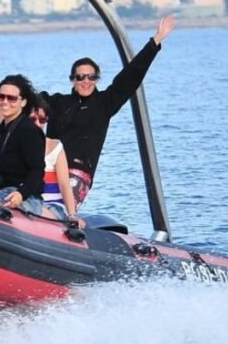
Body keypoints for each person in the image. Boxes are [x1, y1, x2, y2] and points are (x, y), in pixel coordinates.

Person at [41, 15, 176, 206]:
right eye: (80, 77)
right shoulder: (57, 102)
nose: (86, 81)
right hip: (48, 167)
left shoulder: (104, 103)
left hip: (77, 173)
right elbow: (20, 98)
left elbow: (131, 76)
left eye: (91, 77)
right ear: (72, 79)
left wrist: (155, 41)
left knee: (54, 209)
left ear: (97, 79)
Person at [0, 52, 46, 215]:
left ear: (23, 102)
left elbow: (37, 170)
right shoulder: (6, 126)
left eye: (12, 98)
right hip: (5, 190)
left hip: (27, 198)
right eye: (2, 96)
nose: (5, 102)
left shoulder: (29, 131)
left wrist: (22, 194)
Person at [32, 107, 86, 228]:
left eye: (42, 120)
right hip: (27, 201)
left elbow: (64, 184)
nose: (37, 124)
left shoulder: (55, 146)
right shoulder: (17, 145)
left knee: (30, 207)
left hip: (52, 206)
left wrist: (72, 215)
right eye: (32, 119)